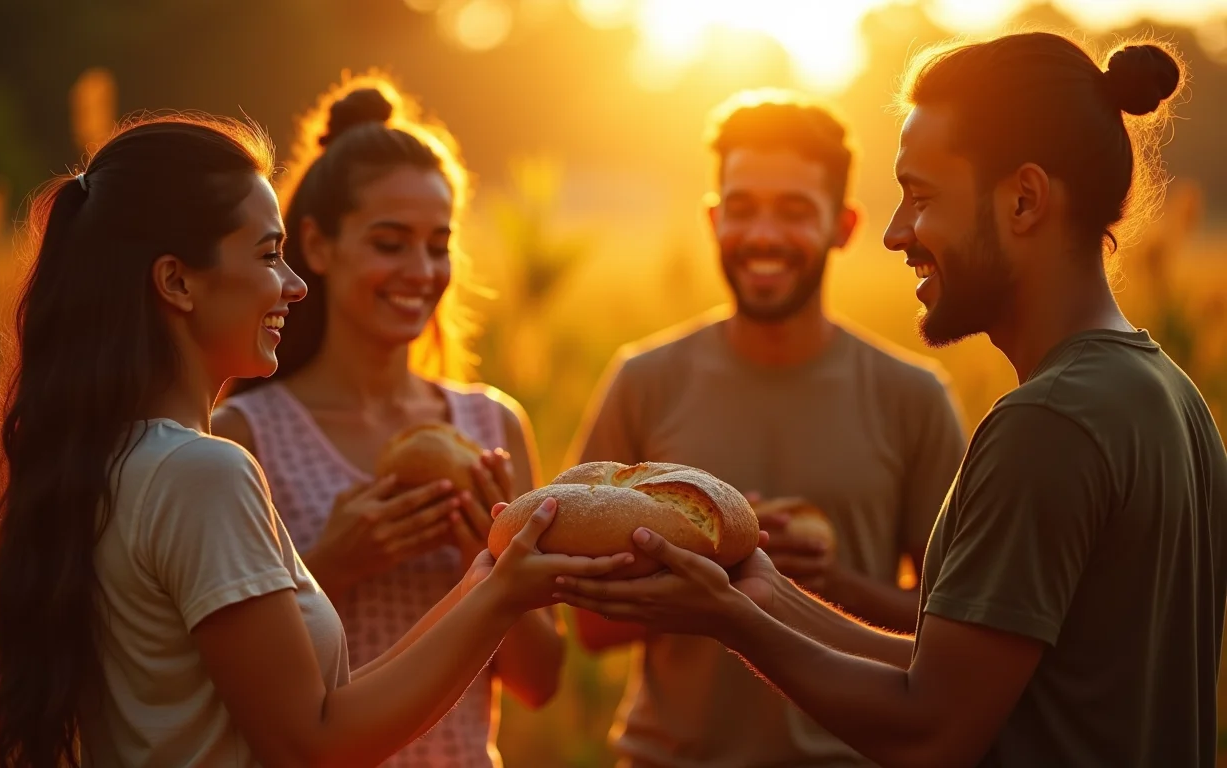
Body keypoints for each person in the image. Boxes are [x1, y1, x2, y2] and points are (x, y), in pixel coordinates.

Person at [556, 33, 1227, 768]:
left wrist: (731, 622)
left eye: (922, 196)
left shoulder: (1048, 420)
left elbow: (930, 730)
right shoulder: (1171, 396)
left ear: (1025, 199)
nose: (895, 232)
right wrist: (767, 593)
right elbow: (943, 671)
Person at [0, 113, 633, 768]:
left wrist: (487, 579)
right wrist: (500, 595)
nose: (293, 285)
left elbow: (327, 705)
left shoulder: (114, 457)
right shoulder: (205, 470)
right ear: (177, 282)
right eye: (268, 255)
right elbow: (315, 745)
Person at [566, 89, 968, 766]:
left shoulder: (914, 397)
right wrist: (700, 575)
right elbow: (590, 627)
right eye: (742, 209)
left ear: (842, 226)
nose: (763, 236)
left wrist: (827, 584)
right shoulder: (643, 380)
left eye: (794, 211)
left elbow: (959, 633)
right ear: (713, 219)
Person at [212, 72, 562, 766]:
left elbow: (538, 681)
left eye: (439, 245)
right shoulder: (244, 434)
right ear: (317, 244)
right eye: (390, 242)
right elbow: (221, 678)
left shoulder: (493, 425)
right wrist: (331, 565)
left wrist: (488, 573)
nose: (421, 270)